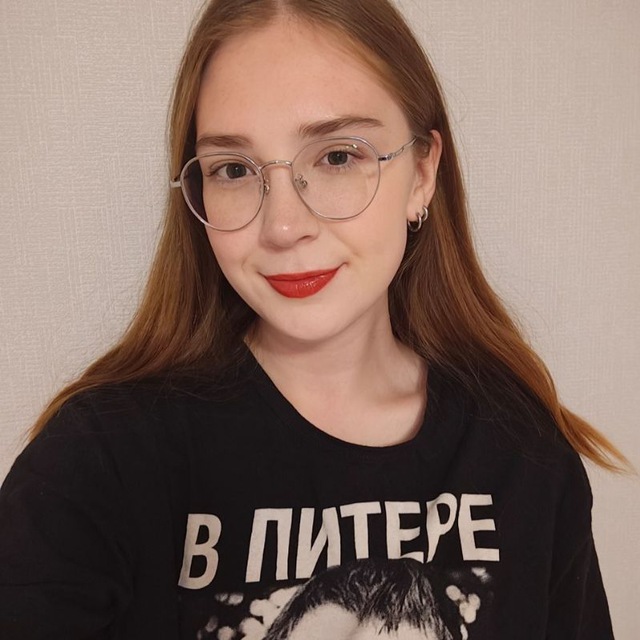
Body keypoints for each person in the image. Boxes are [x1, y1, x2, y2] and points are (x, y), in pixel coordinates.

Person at [0, 0, 627, 638]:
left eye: (337, 157)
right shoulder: (100, 459)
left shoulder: (524, 457)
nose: (282, 227)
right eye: (233, 169)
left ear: (422, 173)